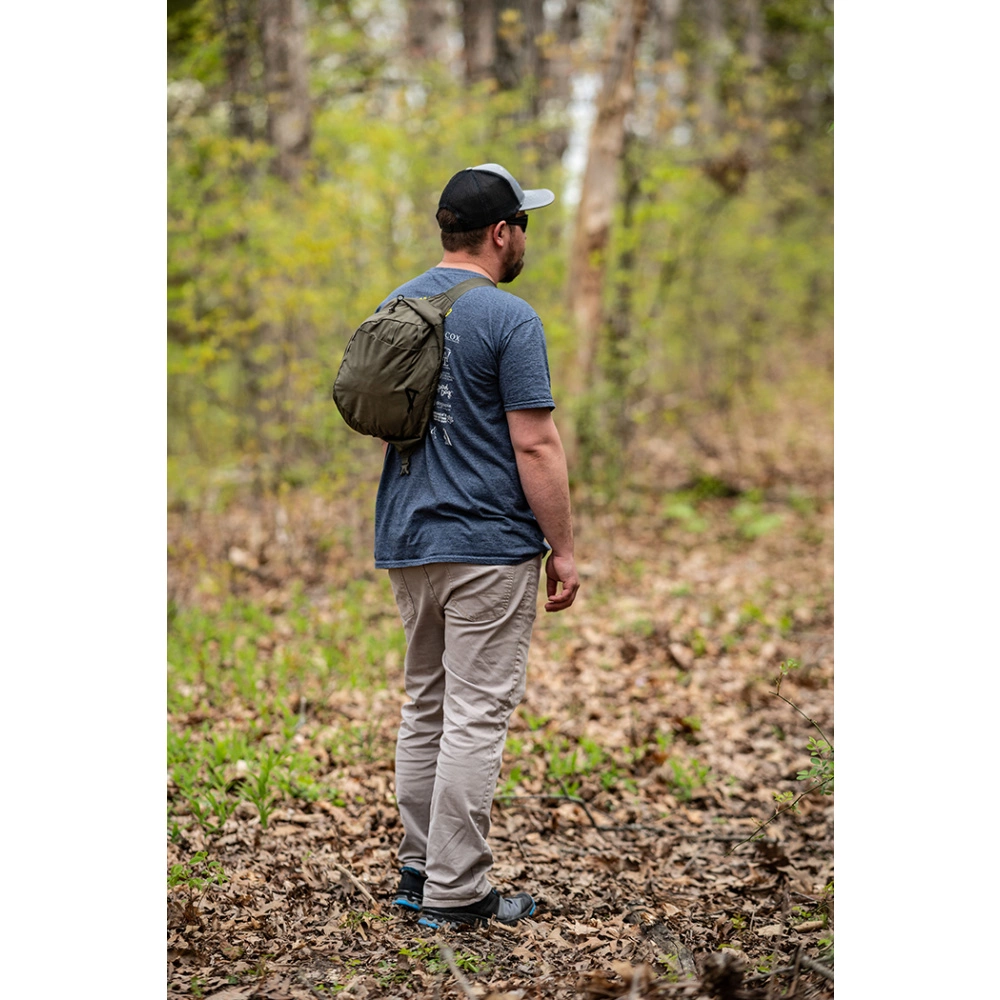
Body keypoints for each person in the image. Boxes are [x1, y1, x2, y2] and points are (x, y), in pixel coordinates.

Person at [373, 163, 579, 928]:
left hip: (407, 538)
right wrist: (564, 547)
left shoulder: (396, 303)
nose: (525, 237)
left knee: (426, 705)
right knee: (475, 714)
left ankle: (421, 869)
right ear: (501, 233)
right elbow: (536, 445)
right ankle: (457, 894)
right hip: (487, 543)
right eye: (523, 224)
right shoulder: (509, 317)